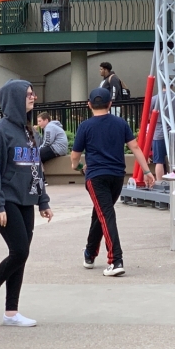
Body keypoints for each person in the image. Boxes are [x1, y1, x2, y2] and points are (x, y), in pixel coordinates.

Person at [0, 81, 52, 328]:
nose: (34, 97)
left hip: (26, 200)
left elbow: (36, 170)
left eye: (32, 94)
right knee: (20, 251)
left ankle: (11, 312)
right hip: (5, 200)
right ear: (15, 98)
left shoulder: (30, 132)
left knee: (20, 256)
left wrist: (43, 201)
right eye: (29, 94)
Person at [72, 87, 150, 277]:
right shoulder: (120, 123)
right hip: (116, 177)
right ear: (110, 104)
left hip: (96, 176)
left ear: (89, 105)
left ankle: (116, 260)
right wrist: (147, 171)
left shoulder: (85, 126)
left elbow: (74, 157)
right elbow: (136, 147)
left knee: (105, 215)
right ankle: (90, 254)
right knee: (100, 213)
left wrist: (79, 166)